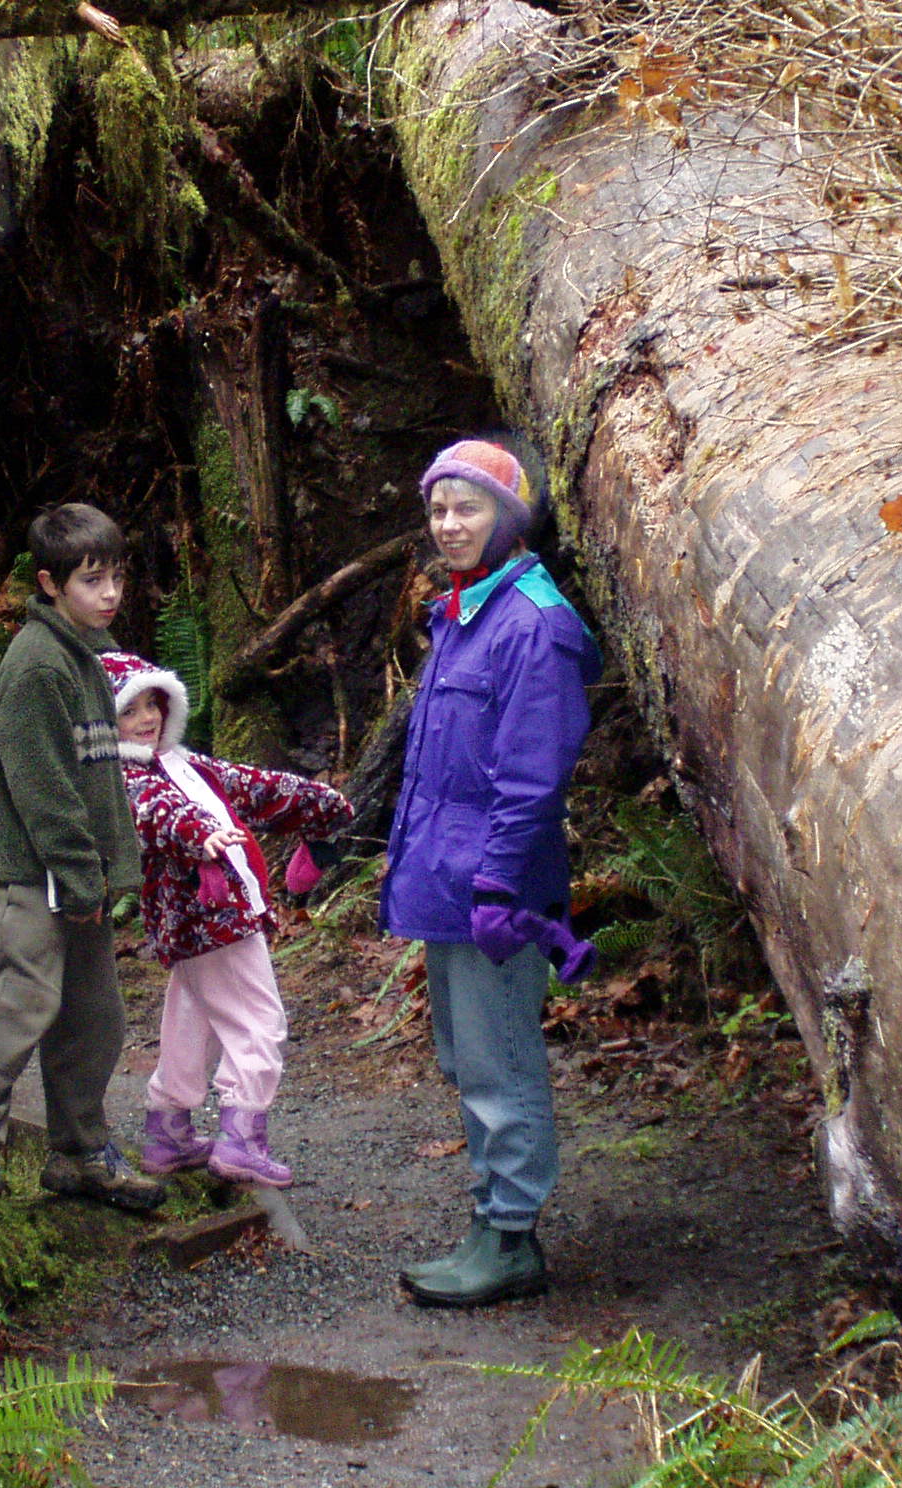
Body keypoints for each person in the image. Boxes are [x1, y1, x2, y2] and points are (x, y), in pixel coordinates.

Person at [382, 437, 602, 1307]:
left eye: (467, 506)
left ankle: (510, 1238)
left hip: (492, 893)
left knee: (499, 1061)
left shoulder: (534, 624)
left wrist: (501, 886)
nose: (449, 523)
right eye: (438, 509)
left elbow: (531, 776)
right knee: (466, 1055)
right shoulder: (466, 613)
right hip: (447, 881)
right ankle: (492, 1220)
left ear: (508, 516)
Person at [0, 503, 167, 1220]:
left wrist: (100, 872)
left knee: (93, 1016)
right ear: (50, 583)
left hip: (75, 879)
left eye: (116, 576)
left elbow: (95, 773)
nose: (110, 593)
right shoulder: (36, 666)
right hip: (37, 879)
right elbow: (44, 790)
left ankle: (81, 1151)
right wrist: (81, 872)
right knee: (21, 1006)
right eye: (93, 580)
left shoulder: (83, 657)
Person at [103, 649, 353, 1188]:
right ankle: (242, 1140)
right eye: (130, 711)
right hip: (212, 919)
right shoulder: (124, 777)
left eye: (154, 704)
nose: (147, 719)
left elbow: (254, 786)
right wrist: (200, 834)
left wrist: (319, 803)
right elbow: (154, 813)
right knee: (259, 1022)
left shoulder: (186, 765)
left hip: (205, 925)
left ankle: (167, 1133)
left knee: (192, 1021)